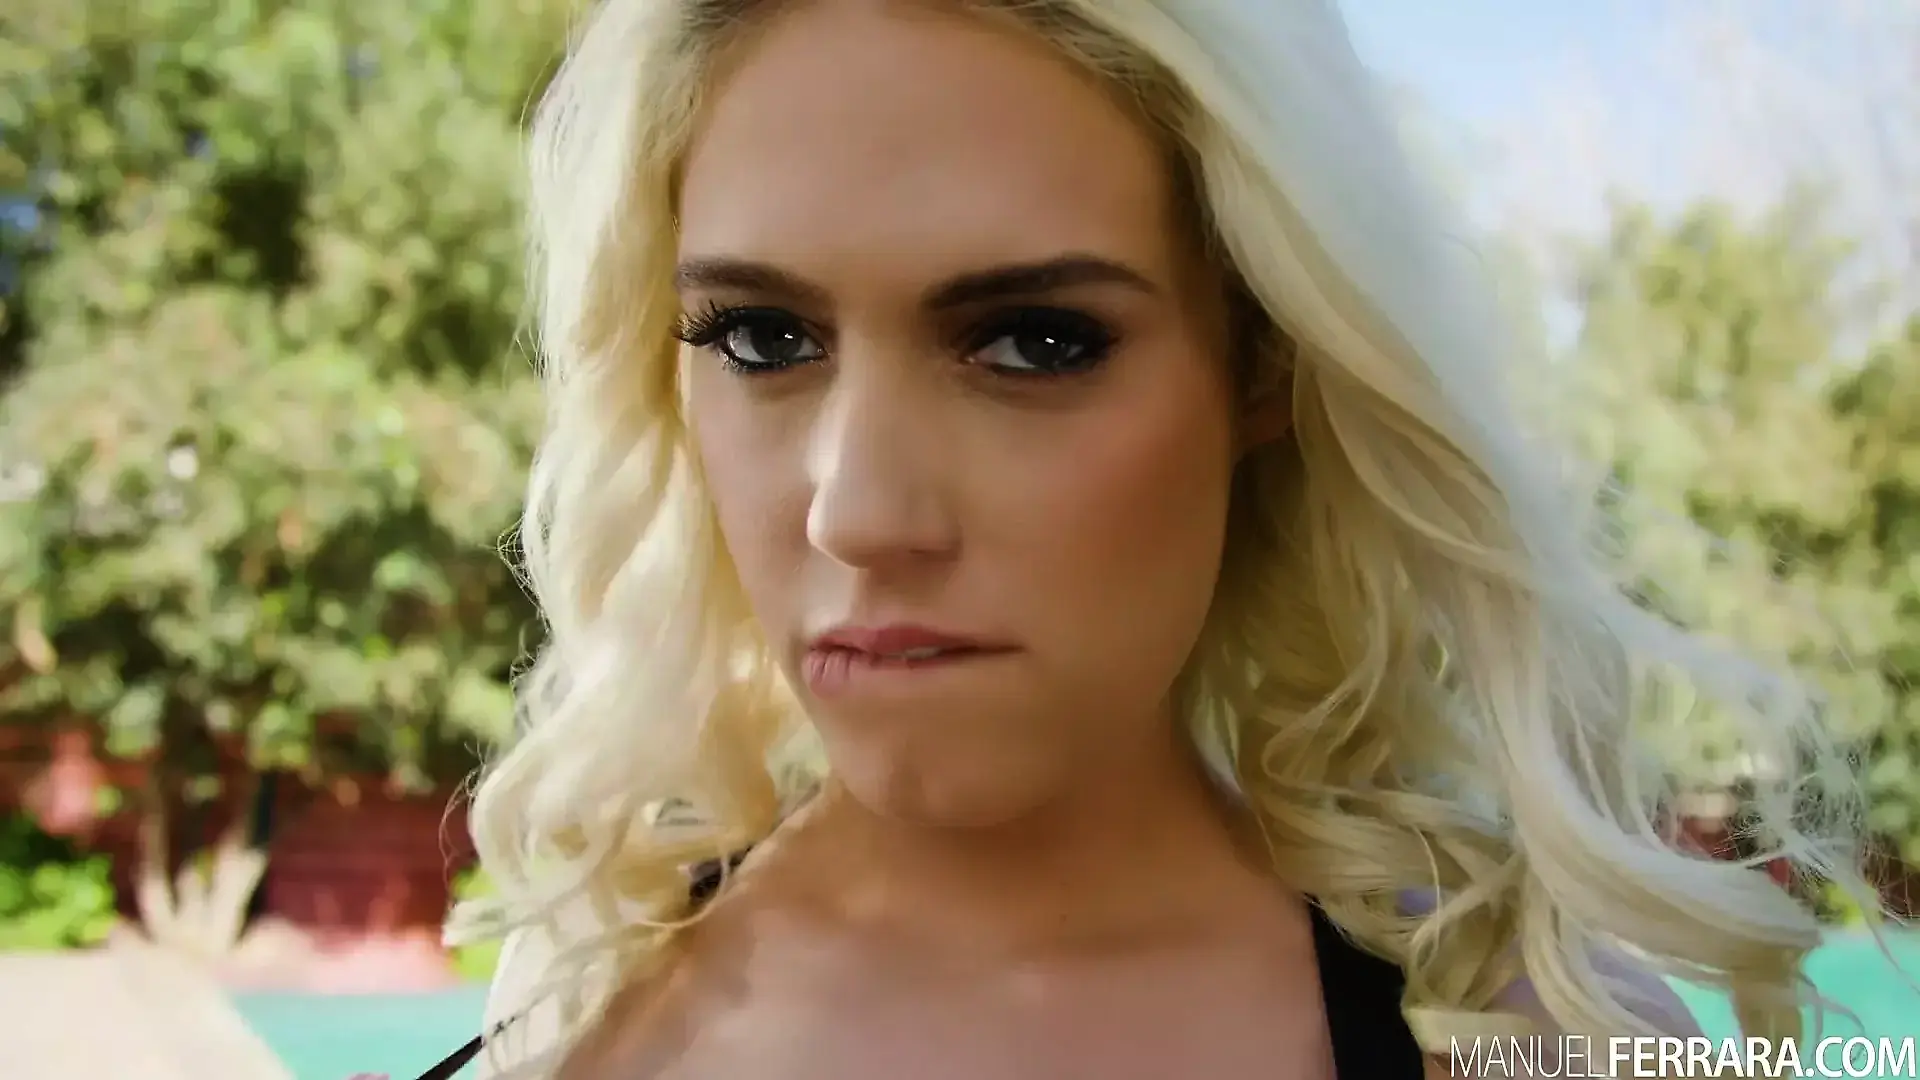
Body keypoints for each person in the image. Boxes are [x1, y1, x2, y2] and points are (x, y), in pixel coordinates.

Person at [423, 0, 1868, 1077]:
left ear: (1264, 362)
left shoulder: (1540, 1040)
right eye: (761, 336)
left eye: (1035, 341)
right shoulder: (581, 998)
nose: (857, 512)